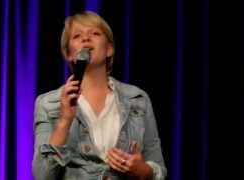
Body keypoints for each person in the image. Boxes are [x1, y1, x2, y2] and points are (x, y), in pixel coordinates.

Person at [32, 11, 166, 180]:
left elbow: (158, 169)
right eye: (77, 36)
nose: (86, 39)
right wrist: (64, 121)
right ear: (69, 54)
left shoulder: (138, 99)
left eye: (95, 33)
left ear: (109, 49)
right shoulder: (48, 103)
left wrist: (144, 171)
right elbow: (43, 175)